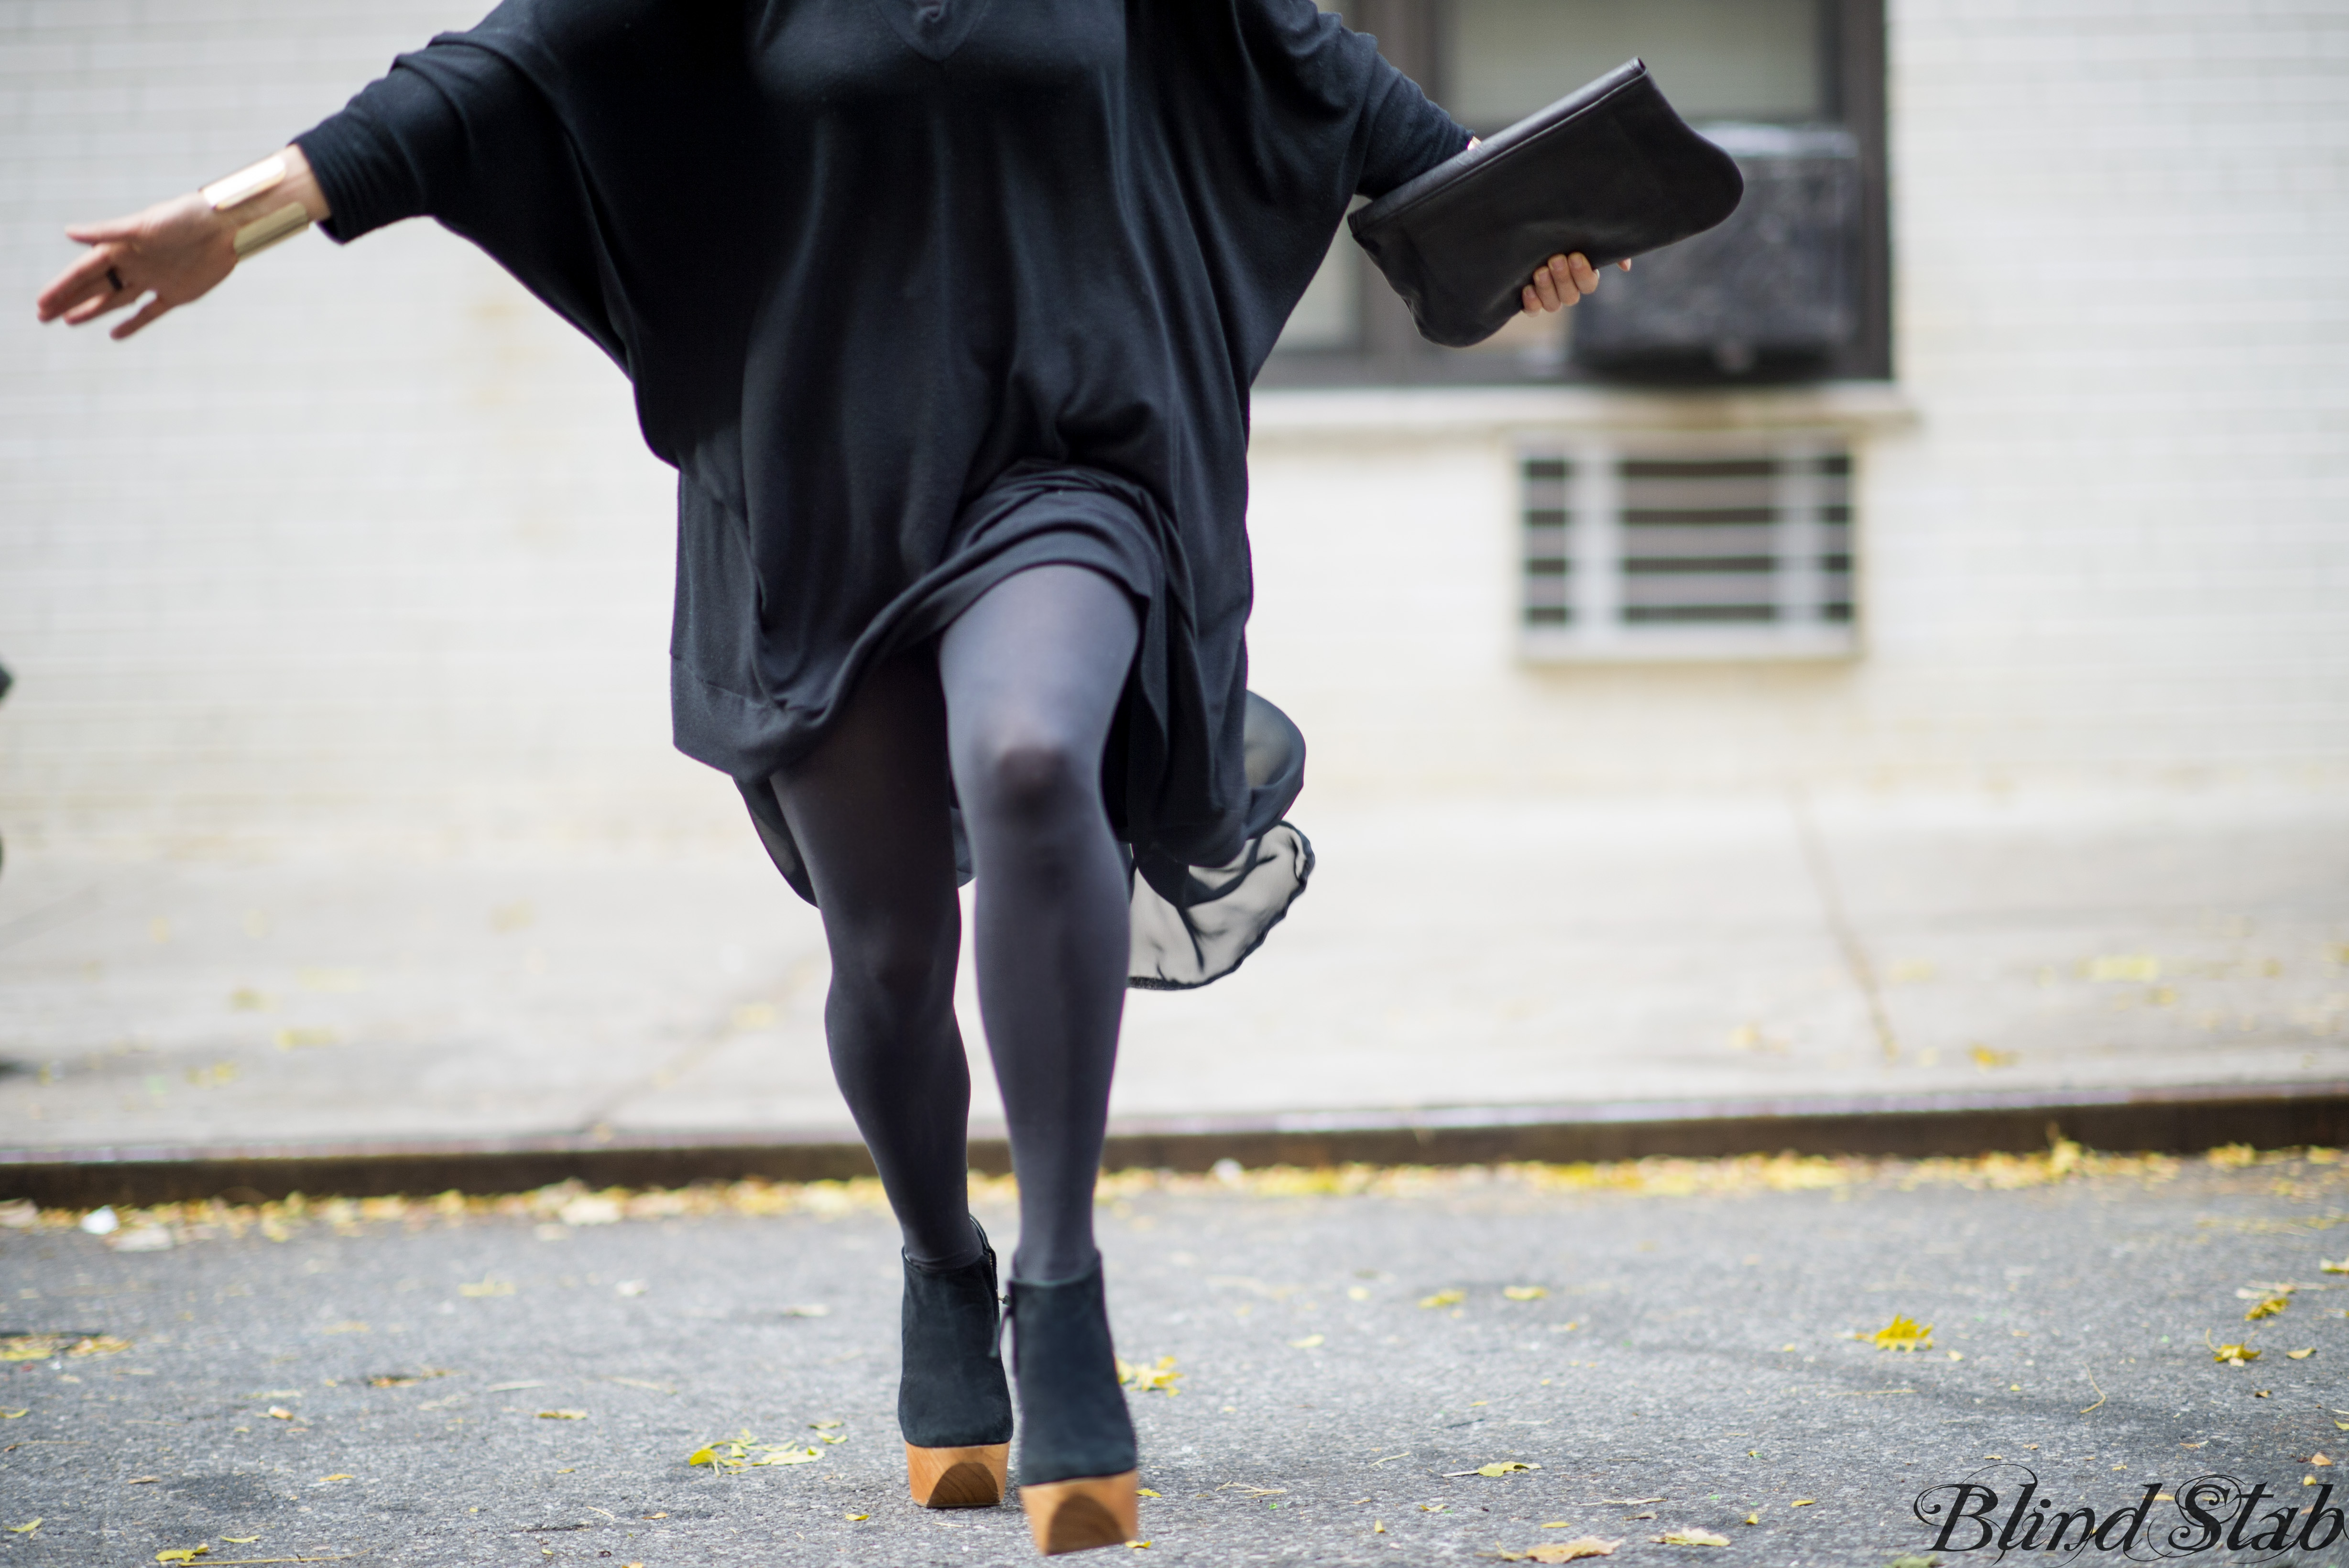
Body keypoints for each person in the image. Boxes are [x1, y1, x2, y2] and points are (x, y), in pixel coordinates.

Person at [34, 0, 1617, 1553]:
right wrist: (241, 218)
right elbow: (498, 73)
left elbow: (1372, 124)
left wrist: (1525, 229)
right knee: (886, 951)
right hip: (817, 491)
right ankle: (942, 1262)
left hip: (1070, 454)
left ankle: (1061, 1291)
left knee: (1031, 750)